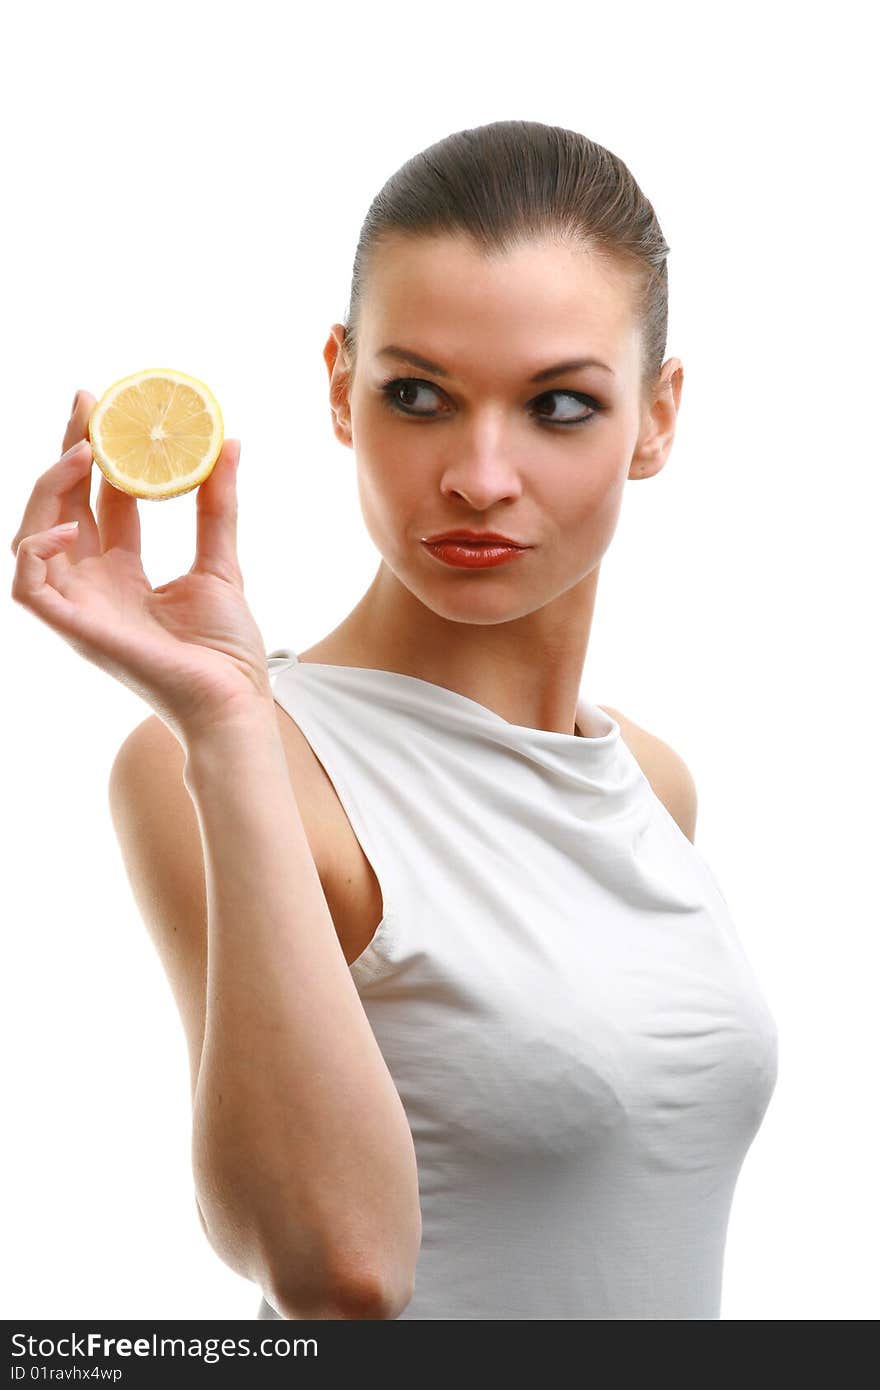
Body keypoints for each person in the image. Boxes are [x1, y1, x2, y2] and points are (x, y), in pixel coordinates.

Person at [9, 119, 778, 1321]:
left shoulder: (655, 785)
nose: (477, 473)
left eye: (559, 406)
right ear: (338, 387)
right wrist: (224, 727)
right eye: (416, 394)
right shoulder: (221, 758)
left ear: (657, 419)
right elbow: (335, 1273)